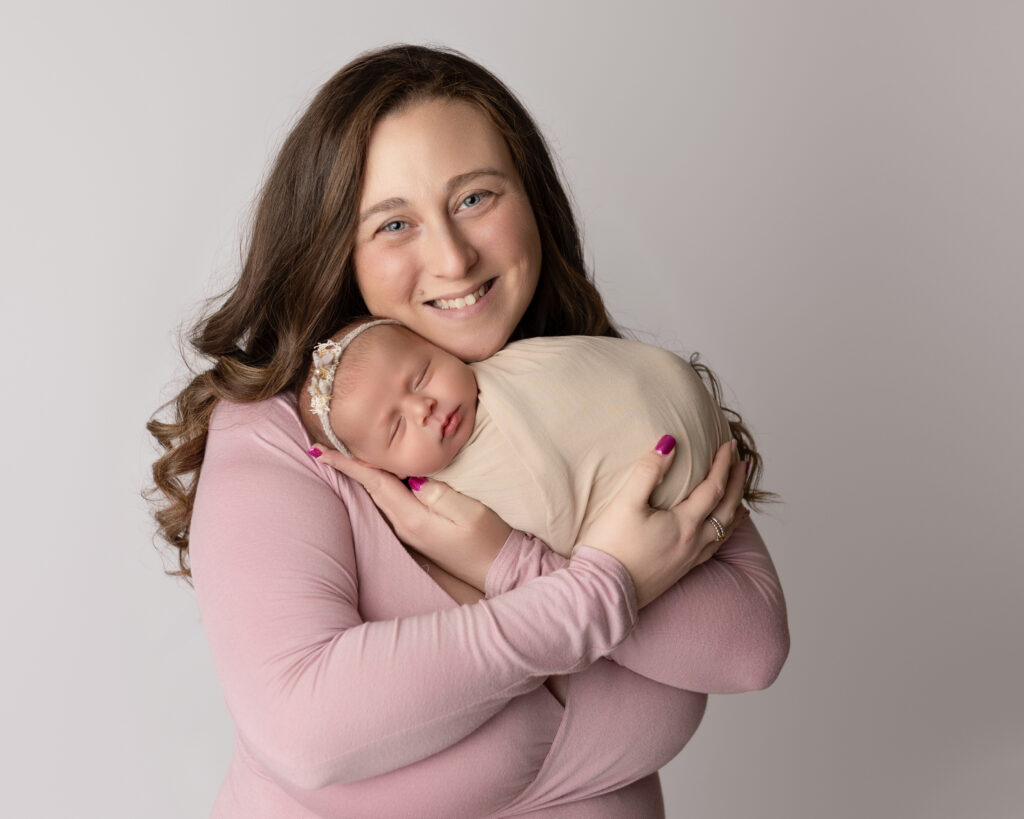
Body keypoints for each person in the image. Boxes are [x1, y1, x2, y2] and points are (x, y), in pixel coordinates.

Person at [148, 44, 789, 818]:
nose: (451, 256)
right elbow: (305, 729)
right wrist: (597, 589)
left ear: (534, 202)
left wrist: (504, 560)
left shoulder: (611, 391)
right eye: (393, 223)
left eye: (476, 198)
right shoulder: (285, 437)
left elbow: (751, 647)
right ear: (334, 252)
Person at [298, 318, 745, 557]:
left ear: (442, 347)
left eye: (422, 375)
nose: (423, 408)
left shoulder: (509, 363)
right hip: (667, 523)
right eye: (396, 428)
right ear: (382, 470)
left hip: (702, 446)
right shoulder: (449, 507)